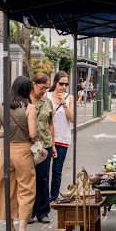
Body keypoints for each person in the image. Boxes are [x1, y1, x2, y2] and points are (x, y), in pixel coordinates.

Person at [0, 76, 37, 231]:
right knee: (26, 189)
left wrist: (10, 135)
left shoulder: (2, 107)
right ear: (27, 91)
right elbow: (32, 134)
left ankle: (10, 229)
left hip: (6, 151)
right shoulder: (29, 108)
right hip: (23, 151)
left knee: (7, 188)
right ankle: (22, 229)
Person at [29, 73, 55, 224]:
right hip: (29, 145)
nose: (44, 91)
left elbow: (50, 124)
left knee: (43, 178)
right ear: (33, 84)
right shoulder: (25, 101)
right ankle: (29, 211)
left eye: (46, 88)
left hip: (45, 144)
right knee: (29, 179)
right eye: (42, 87)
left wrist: (54, 144)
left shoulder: (47, 102)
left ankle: (43, 211)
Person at [46, 71, 74, 203]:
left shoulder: (69, 98)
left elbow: (72, 119)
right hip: (46, 139)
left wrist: (64, 103)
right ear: (55, 82)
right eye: (61, 83)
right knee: (43, 172)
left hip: (62, 138)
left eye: (66, 84)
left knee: (57, 171)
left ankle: (53, 197)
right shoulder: (46, 96)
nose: (63, 87)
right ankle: (42, 199)